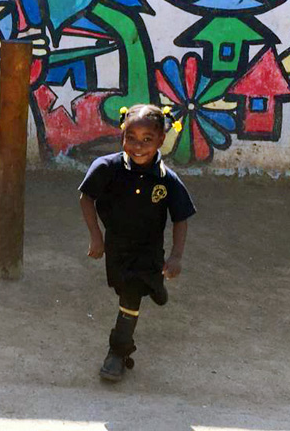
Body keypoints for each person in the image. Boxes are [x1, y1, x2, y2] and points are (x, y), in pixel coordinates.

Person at [79, 104, 195, 382]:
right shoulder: (107, 168)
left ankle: (117, 353)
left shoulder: (167, 180)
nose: (138, 146)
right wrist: (96, 235)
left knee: (130, 297)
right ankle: (155, 286)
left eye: (147, 139)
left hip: (149, 249)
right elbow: (86, 197)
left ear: (161, 140)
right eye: (131, 137)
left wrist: (177, 256)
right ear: (122, 135)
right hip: (117, 247)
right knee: (126, 288)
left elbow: (181, 218)